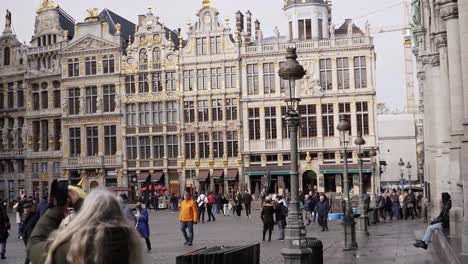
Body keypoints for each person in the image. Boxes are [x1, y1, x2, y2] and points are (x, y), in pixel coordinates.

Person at [27, 188, 144, 264]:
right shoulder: (129, 245)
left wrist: (58, 209)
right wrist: (81, 204)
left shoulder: (73, 250)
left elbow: (34, 244)